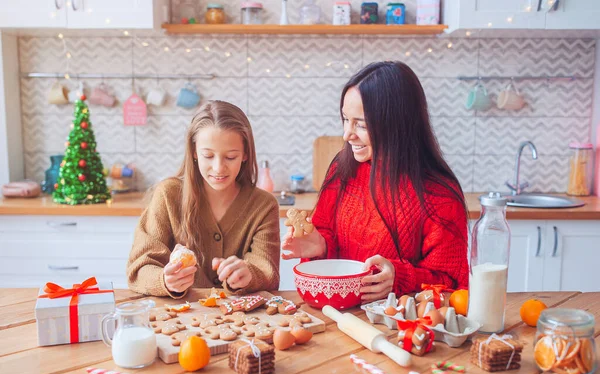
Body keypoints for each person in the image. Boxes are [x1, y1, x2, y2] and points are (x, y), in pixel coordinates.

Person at [282, 61, 469, 303]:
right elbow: (328, 236)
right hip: (337, 317)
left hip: (396, 332)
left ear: (396, 124)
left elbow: (452, 286)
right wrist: (320, 245)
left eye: (360, 124)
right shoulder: (343, 168)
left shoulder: (439, 195)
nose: (347, 134)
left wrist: (399, 279)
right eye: (345, 119)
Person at [127, 100, 280, 298]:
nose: (218, 168)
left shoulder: (264, 206)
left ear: (245, 154)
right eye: (208, 155)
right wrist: (164, 280)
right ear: (194, 152)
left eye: (230, 157)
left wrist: (249, 274)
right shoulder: (168, 195)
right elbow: (139, 269)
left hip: (240, 321)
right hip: (181, 320)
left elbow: (268, 273)